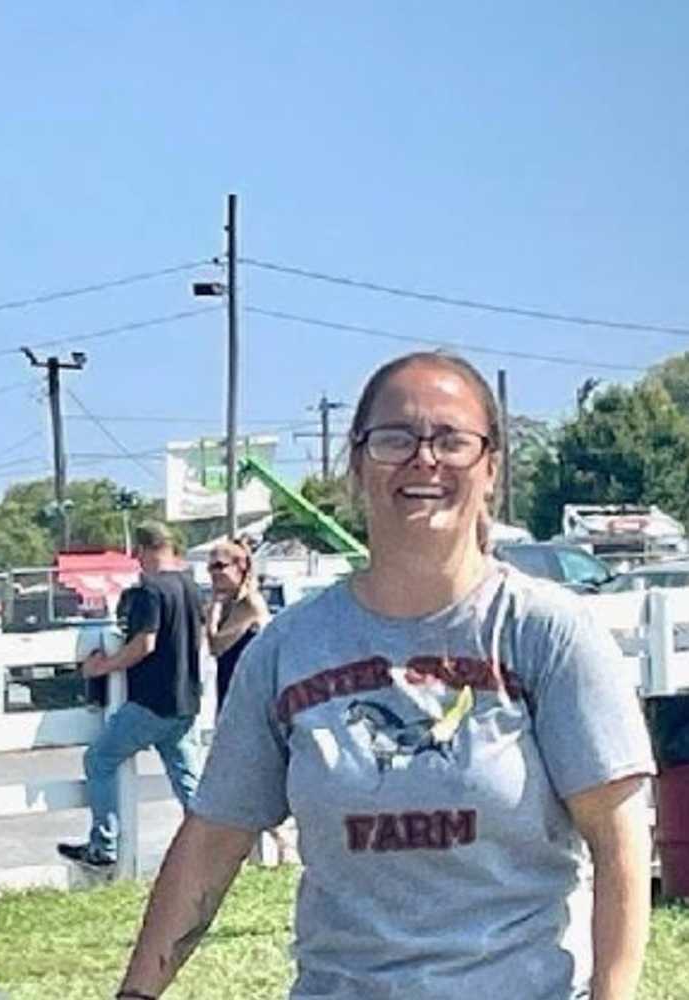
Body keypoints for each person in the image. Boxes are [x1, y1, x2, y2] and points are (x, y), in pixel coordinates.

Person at [117, 351, 655, 1000]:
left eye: (452, 440)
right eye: (395, 438)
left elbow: (619, 845)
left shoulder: (547, 632)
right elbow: (213, 838)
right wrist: (136, 995)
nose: (423, 459)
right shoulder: (288, 649)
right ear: (357, 462)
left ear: (491, 469)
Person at [58, 522, 203, 870]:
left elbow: (144, 643)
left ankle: (103, 845)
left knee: (100, 759)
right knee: (187, 780)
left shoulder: (151, 590)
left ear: (141, 550)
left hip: (152, 701)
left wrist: (105, 666)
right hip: (186, 700)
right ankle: (214, 842)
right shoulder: (190, 586)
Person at [204, 538, 269, 704]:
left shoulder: (249, 603)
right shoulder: (229, 604)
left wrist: (213, 612)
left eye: (219, 566)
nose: (214, 573)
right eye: (210, 567)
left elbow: (217, 646)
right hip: (230, 691)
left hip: (250, 696)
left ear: (240, 567)